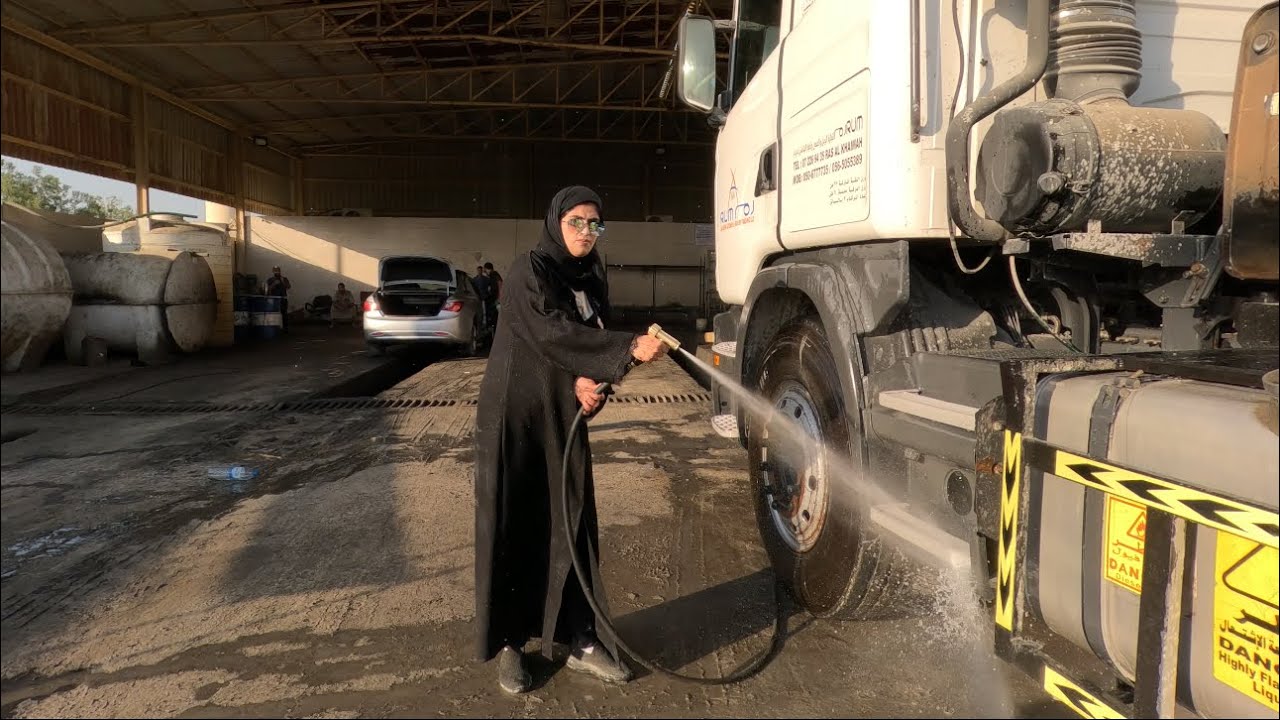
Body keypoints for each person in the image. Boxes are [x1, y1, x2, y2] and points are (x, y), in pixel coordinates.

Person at [473, 186, 668, 695]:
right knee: (515, 521)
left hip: (560, 410)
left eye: (595, 224)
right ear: (555, 221)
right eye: (577, 221)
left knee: (572, 516)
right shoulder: (527, 271)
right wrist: (625, 348)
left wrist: (596, 380)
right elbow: (552, 333)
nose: (586, 232)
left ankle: (580, 638)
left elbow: (589, 334)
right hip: (515, 416)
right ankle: (513, 645)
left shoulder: (592, 274)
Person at [265, 266, 291, 331]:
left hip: (283, 299)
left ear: (280, 271)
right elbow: (267, 290)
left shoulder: (284, 279)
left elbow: (288, 287)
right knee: (274, 313)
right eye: (275, 270)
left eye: (277, 270)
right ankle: (274, 328)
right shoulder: (270, 280)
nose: (276, 272)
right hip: (274, 299)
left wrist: (283, 282)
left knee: (284, 314)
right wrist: (273, 284)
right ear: (273, 271)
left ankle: (285, 329)